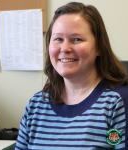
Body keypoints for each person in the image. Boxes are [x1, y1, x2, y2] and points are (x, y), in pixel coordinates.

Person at [14, 2, 128, 150]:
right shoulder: (36, 105)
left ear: (99, 47)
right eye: (58, 39)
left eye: (77, 39)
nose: (65, 48)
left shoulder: (117, 103)